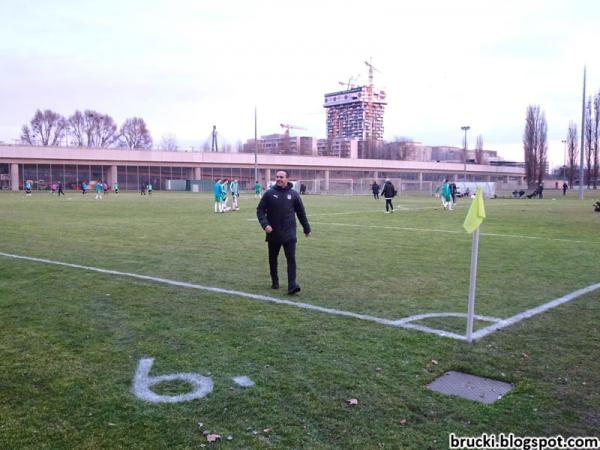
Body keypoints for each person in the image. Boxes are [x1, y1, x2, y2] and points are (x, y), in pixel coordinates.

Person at [256, 170, 311, 295]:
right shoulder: (269, 194)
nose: (279, 179)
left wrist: (306, 228)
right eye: (277, 177)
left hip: (289, 234)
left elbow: (301, 213)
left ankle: (292, 285)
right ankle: (275, 281)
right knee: (272, 259)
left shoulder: (294, 194)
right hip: (273, 234)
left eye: (281, 177)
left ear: (287, 179)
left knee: (291, 259)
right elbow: (260, 210)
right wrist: (265, 225)